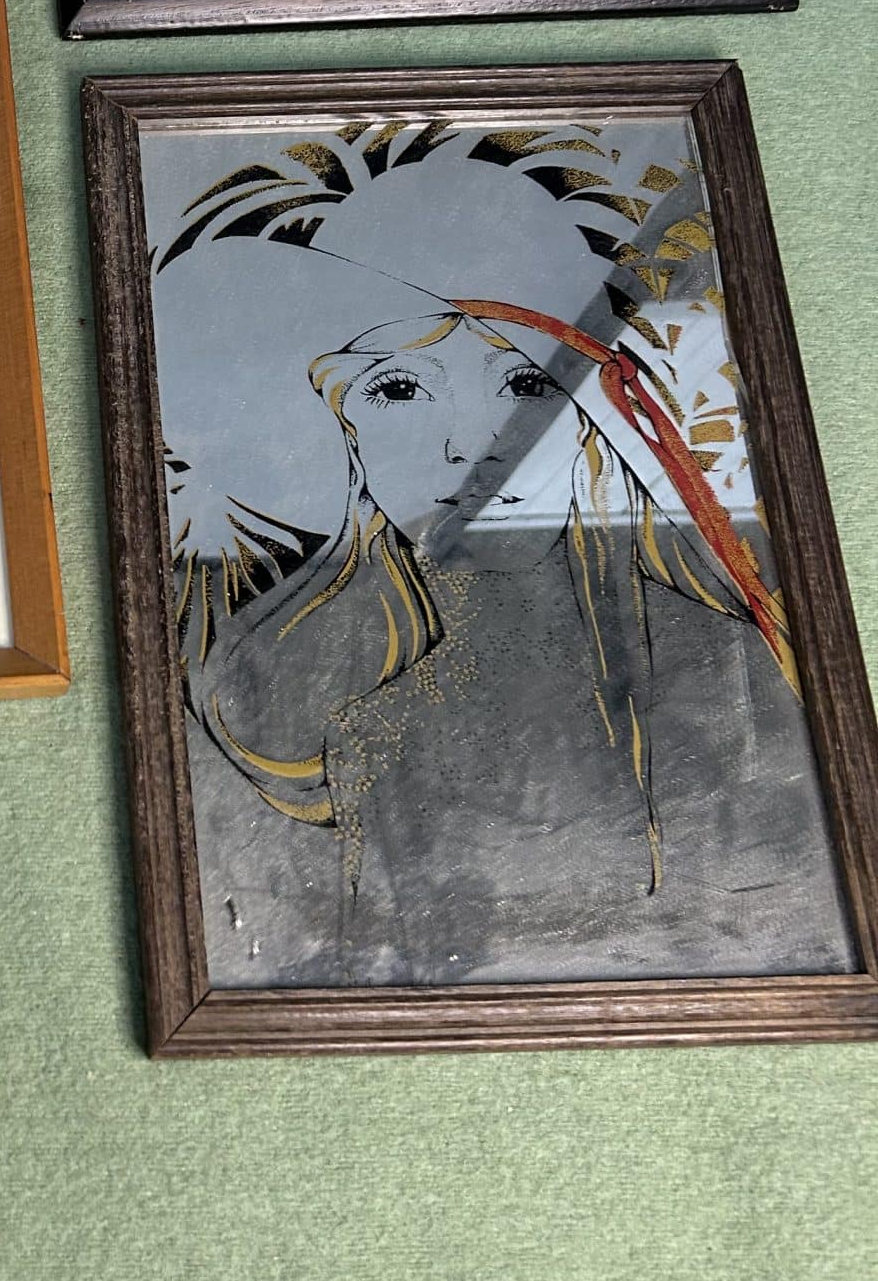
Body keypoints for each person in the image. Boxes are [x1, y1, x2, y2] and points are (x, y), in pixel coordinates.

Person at [181, 299, 855, 984]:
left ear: (591, 422)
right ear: (346, 435)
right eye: (401, 390)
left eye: (526, 384)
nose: (473, 444)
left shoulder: (740, 685)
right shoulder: (348, 722)